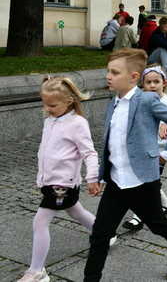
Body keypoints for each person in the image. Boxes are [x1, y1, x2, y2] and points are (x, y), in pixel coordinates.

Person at [84, 48, 167, 281]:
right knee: (100, 234)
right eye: (108, 71)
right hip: (116, 182)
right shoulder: (113, 102)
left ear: (134, 77)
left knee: (157, 223)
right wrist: (101, 175)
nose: (108, 76)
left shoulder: (146, 99)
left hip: (142, 180)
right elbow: (111, 142)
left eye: (115, 72)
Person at [18, 78, 115, 282]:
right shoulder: (50, 120)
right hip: (49, 182)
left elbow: (89, 153)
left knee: (40, 222)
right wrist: (41, 178)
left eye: (52, 105)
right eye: (44, 103)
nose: (47, 108)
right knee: (76, 211)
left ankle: (37, 272)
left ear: (69, 101)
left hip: (62, 185)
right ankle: (105, 235)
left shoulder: (77, 123)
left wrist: (92, 178)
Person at [121, 66, 167, 231]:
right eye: (148, 82)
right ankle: (166, 204)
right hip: (143, 148)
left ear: (164, 83)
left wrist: (165, 124)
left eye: (156, 82)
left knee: (145, 183)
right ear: (142, 85)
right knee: (150, 181)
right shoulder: (140, 100)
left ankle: (139, 217)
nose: (152, 85)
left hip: (159, 151)